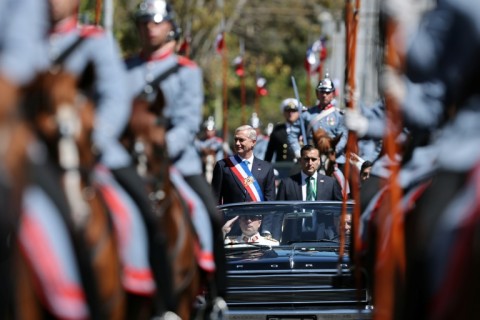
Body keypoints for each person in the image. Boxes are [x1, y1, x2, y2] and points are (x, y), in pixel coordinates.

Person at [125, 0, 227, 304]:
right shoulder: (125, 68)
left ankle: (217, 294)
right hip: (129, 160)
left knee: (210, 214)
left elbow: (187, 122)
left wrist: (161, 149)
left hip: (176, 162)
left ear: (170, 26)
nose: (150, 28)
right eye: (144, 22)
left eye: (156, 22)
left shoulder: (187, 71)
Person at [288, 74, 348, 170]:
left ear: (333, 94)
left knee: (342, 183)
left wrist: (333, 151)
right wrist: (298, 152)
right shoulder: (306, 114)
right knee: (292, 183)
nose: (324, 95)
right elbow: (293, 134)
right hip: (309, 160)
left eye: (327, 92)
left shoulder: (339, 116)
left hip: (333, 160)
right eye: (321, 92)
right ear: (317, 93)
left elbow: (343, 136)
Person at [211, 125, 276, 204]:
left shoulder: (266, 168)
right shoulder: (223, 166)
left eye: (241, 140)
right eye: (236, 140)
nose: (237, 143)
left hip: (258, 216)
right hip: (232, 216)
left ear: (253, 142)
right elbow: (214, 199)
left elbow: (270, 201)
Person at [276, 145, 343, 201]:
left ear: (319, 161)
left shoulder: (331, 184)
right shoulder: (287, 184)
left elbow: (340, 211)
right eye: (306, 159)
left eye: (313, 159)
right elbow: (278, 211)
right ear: (300, 160)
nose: (310, 163)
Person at [264, 98, 300, 163]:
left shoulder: (303, 129)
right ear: (283, 112)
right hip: (282, 167)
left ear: (298, 112)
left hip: (300, 167)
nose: (291, 113)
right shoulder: (278, 129)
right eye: (288, 111)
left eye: (293, 111)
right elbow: (269, 152)